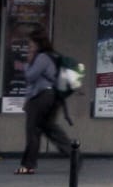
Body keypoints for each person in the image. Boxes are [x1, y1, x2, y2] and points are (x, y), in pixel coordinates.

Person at [15, 28, 75, 174]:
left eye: (30, 45)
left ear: (37, 44)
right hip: (48, 97)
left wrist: (27, 64)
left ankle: (28, 165)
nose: (28, 48)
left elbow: (31, 77)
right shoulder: (48, 57)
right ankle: (74, 154)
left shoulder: (42, 58)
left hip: (43, 97)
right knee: (48, 128)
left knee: (33, 130)